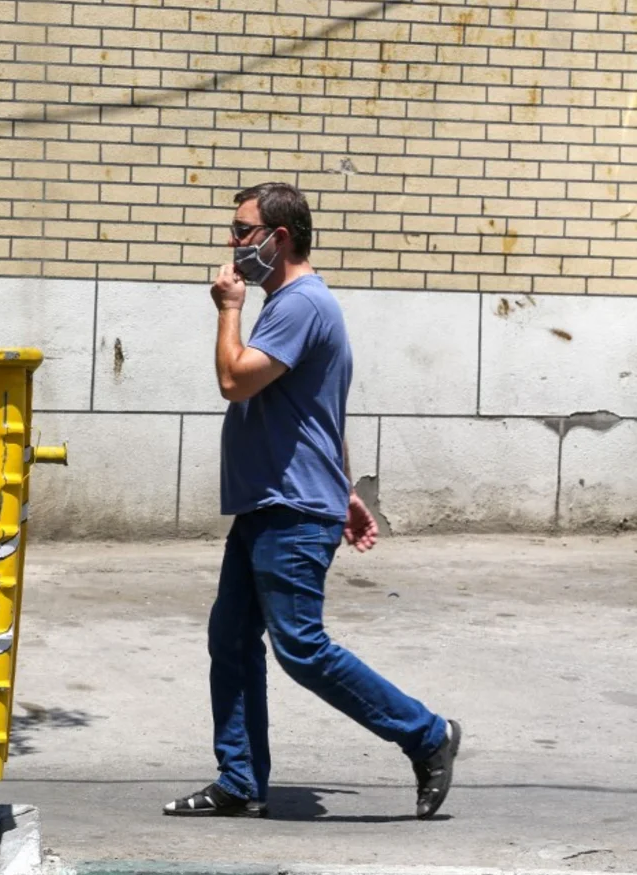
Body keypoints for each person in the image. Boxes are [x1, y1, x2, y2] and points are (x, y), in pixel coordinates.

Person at [163, 182, 460, 820]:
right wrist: (348, 489)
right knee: (232, 641)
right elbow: (318, 412)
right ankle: (239, 780)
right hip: (271, 503)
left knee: (300, 646)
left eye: (243, 231)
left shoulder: (299, 304)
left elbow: (233, 380)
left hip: (291, 510)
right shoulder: (295, 303)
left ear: (281, 238)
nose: (233, 243)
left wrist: (226, 310)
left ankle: (427, 734)